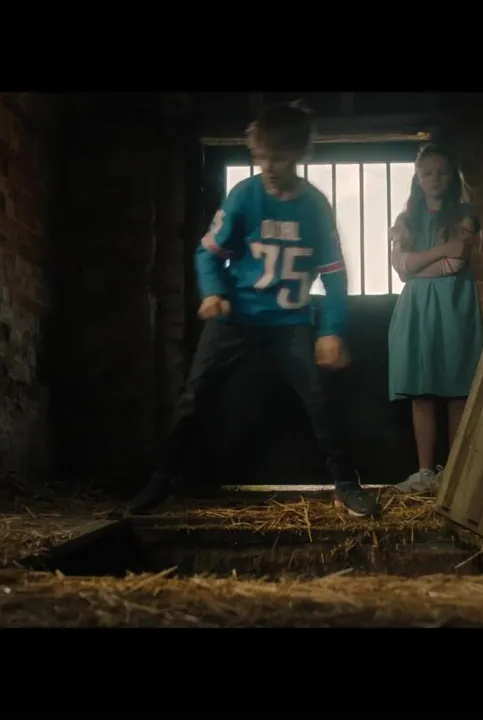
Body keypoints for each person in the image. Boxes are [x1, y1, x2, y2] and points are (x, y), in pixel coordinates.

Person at [123, 102, 381, 518]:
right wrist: (212, 293)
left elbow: (335, 276)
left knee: (321, 399)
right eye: (261, 157)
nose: (268, 167)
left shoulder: (315, 207)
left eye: (278, 157)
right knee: (194, 396)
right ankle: (162, 479)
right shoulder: (245, 195)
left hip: (291, 321)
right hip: (237, 317)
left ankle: (346, 485)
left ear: (298, 155)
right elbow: (208, 254)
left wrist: (331, 330)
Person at [387, 144, 483, 494]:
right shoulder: (406, 220)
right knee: (421, 391)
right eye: (427, 173)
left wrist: (416, 264)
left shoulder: (465, 214)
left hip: (455, 305)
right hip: (416, 309)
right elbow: (401, 269)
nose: (434, 179)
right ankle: (425, 473)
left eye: (441, 172)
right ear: (417, 178)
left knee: (458, 389)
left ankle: (453, 473)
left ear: (452, 176)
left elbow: (455, 264)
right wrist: (441, 250)